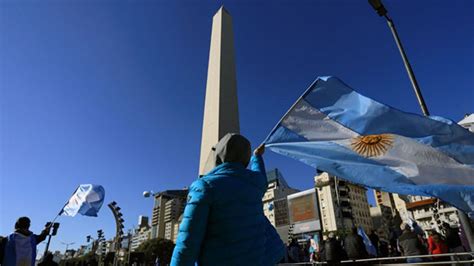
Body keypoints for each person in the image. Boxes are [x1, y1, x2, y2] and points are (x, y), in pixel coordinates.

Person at [170, 134, 285, 266]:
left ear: (218, 155)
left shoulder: (204, 186)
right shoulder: (256, 184)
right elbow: (260, 174)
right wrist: (257, 156)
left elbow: (188, 241)